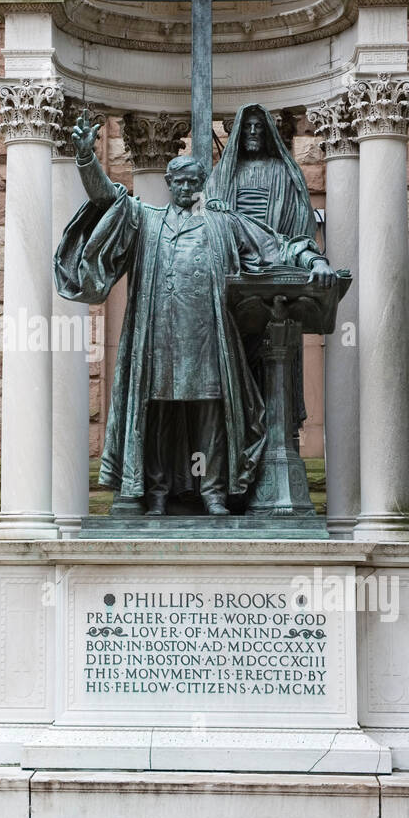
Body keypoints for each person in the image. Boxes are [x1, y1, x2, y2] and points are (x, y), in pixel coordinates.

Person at [54, 113, 335, 515]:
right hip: (157, 339)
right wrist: (86, 159)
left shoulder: (223, 224)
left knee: (211, 415)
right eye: (179, 182)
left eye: (192, 182)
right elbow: (107, 200)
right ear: (168, 185)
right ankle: (154, 492)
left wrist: (314, 259)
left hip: (210, 339)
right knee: (159, 417)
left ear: (201, 185)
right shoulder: (145, 219)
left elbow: (277, 245)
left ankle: (214, 491)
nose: (185, 188)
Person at [206, 104, 319, 436]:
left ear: (267, 132)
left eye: (259, 127)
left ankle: (279, 442)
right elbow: (211, 224)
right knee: (234, 372)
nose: (253, 132)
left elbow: (300, 224)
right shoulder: (224, 175)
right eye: (248, 127)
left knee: (277, 369)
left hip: (276, 279)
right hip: (235, 283)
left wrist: (300, 256)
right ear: (239, 133)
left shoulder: (283, 172)